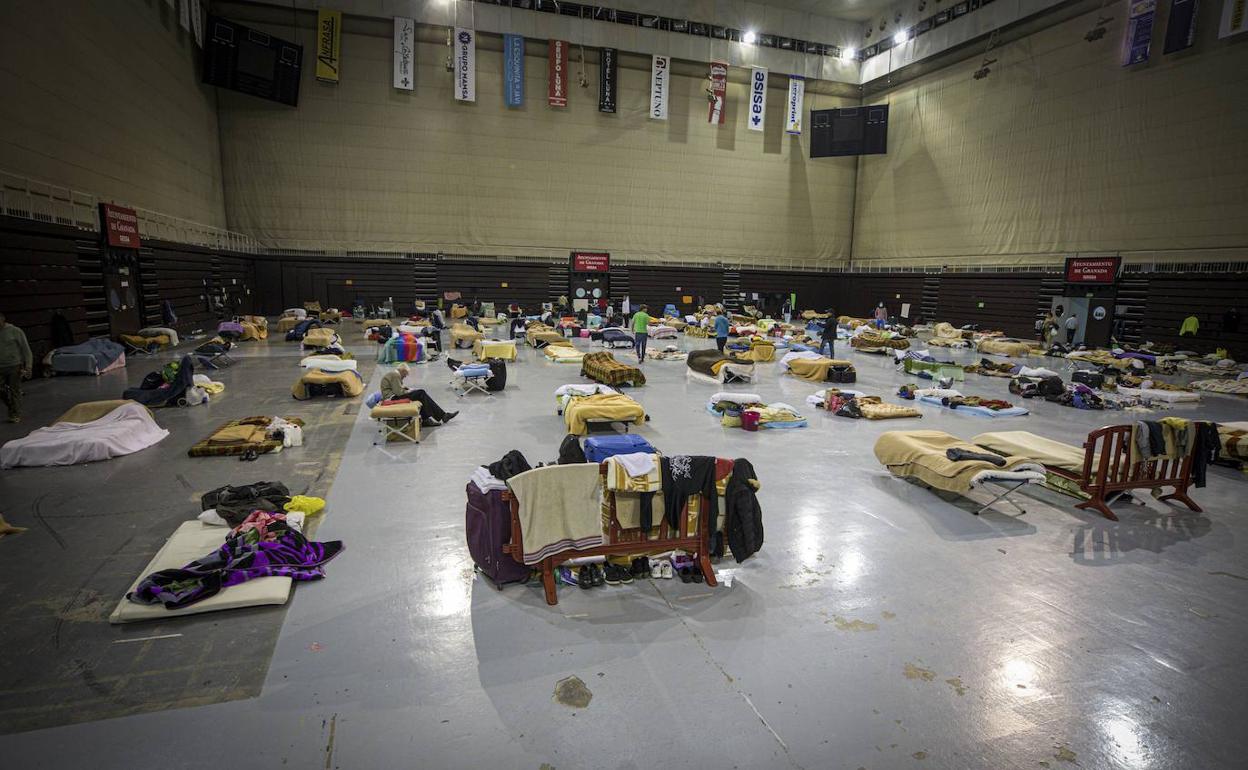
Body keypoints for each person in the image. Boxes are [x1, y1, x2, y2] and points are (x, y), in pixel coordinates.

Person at [380, 365, 458, 427]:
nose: (405, 376)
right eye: (405, 374)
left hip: (392, 397)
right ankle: (440, 416)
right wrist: (409, 391)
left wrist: (406, 389)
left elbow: (396, 388)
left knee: (420, 395)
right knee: (421, 393)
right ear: (402, 371)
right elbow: (399, 392)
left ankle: (428, 419)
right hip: (392, 399)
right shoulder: (395, 375)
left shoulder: (393, 375)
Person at [0, 313, 32, 423]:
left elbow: (26, 349)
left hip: (14, 365)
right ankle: (11, 406)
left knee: (15, 390)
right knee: (1, 390)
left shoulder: (15, 331)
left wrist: (28, 366)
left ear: (3, 319)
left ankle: (15, 413)